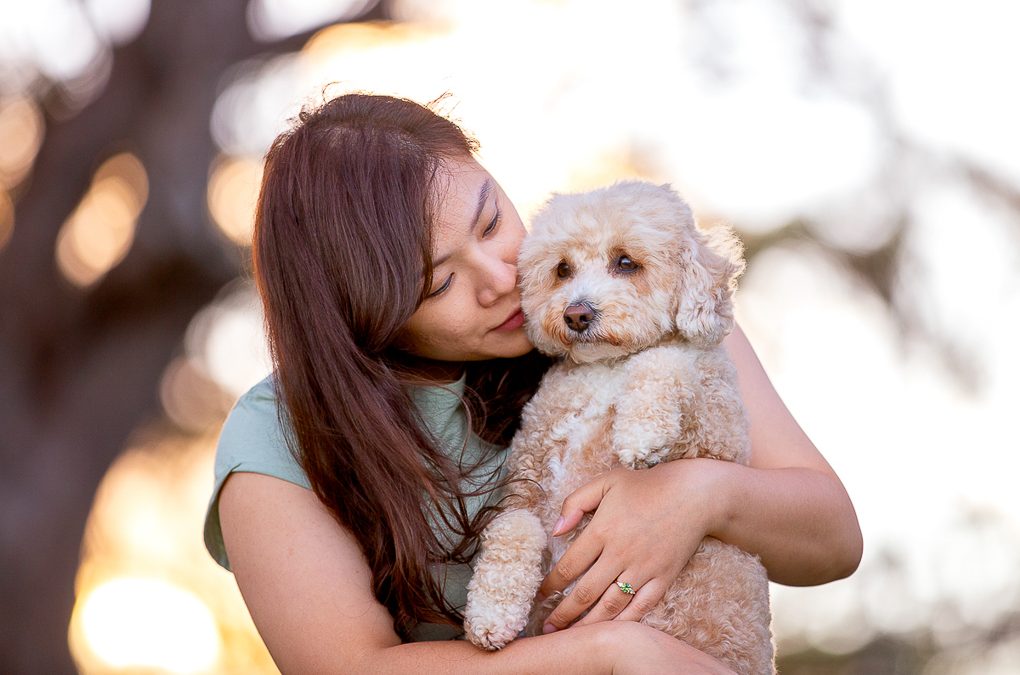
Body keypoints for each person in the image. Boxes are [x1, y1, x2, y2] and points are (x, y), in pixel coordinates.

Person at [203, 93, 862, 673]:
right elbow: (346, 666)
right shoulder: (280, 435)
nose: (498, 276)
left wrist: (700, 494)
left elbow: (833, 539)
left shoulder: (635, 310)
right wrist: (609, 654)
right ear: (363, 318)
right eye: (439, 282)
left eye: (491, 221)